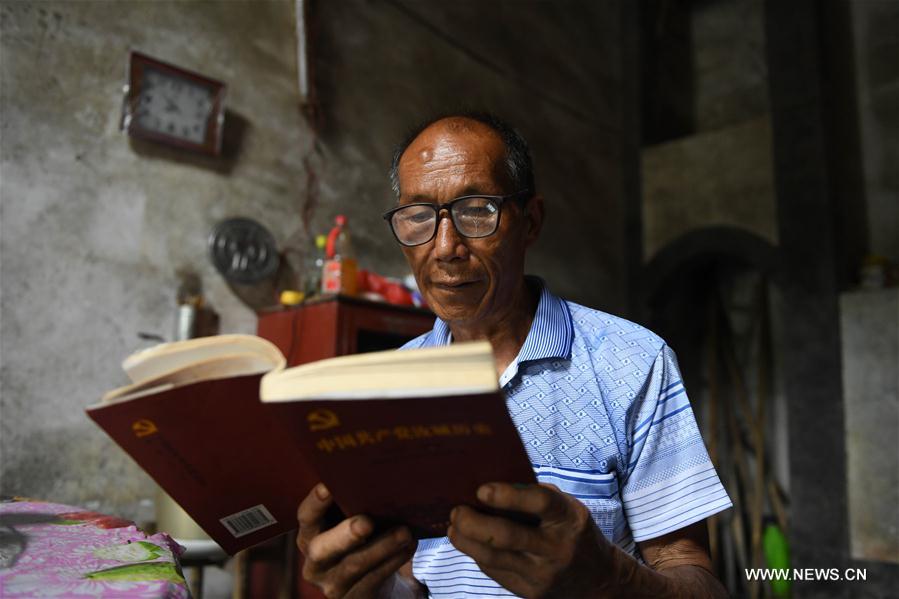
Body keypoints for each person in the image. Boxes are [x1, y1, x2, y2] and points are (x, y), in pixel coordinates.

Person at [295, 113, 732, 598]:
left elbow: (701, 584)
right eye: (418, 216)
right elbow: (414, 585)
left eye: (477, 209)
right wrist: (364, 587)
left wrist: (608, 579)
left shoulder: (633, 362)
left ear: (531, 221)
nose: (444, 248)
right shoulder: (391, 383)